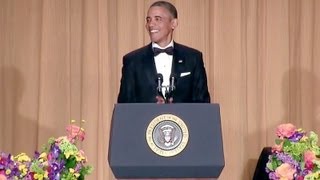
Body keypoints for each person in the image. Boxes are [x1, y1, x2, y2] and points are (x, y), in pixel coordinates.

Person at [117, 1, 210, 103]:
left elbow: (203, 104)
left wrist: (176, 105)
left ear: (173, 23)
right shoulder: (132, 60)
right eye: (148, 20)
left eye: (157, 19)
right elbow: (124, 106)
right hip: (145, 119)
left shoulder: (193, 58)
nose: (150, 24)